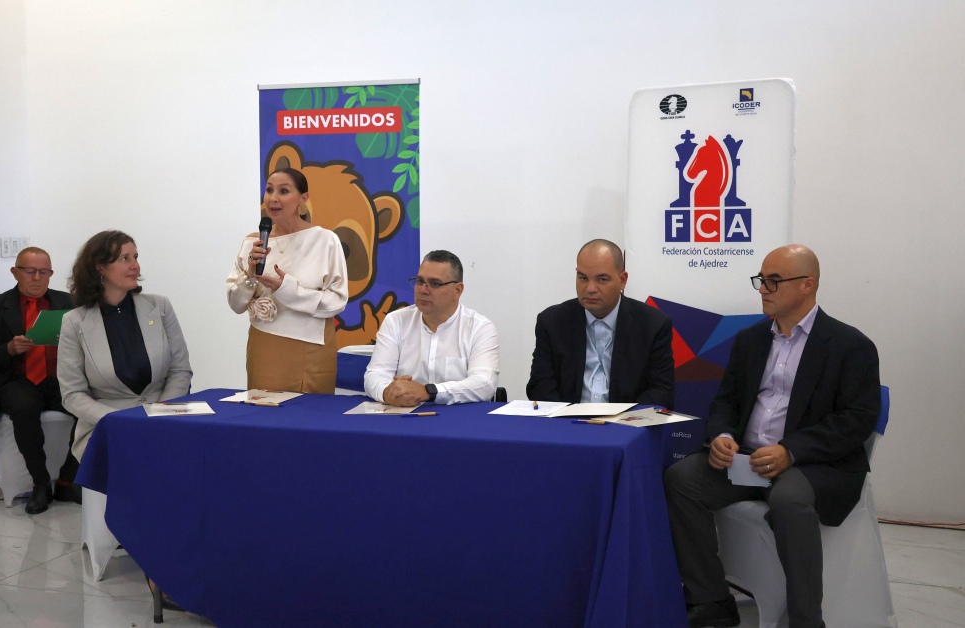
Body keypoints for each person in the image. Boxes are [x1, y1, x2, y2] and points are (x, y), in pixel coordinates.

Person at [663, 244, 881, 628]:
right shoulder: (751, 340)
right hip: (747, 458)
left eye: (773, 281)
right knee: (681, 479)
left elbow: (856, 419)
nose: (763, 289)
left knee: (789, 500)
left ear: (807, 284)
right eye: (761, 280)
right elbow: (726, 401)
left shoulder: (851, 346)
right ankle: (711, 601)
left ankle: (805, 620)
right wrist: (721, 435)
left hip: (811, 465)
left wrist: (791, 451)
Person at [57, 230, 193, 461]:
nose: (135, 266)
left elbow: (180, 371)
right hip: (107, 423)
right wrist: (120, 420)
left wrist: (161, 414)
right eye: (124, 258)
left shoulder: (160, 307)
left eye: (135, 257)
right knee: (131, 458)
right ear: (100, 267)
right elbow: (72, 394)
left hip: (164, 417)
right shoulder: (74, 322)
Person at [0, 247, 81, 515]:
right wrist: (9, 349)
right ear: (15, 272)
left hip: (59, 380)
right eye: (30, 271)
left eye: (44, 272)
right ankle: (41, 483)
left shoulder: (68, 303)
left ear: (51, 274)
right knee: (23, 407)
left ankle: (67, 479)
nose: (37, 278)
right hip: (17, 380)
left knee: (92, 407)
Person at [226, 167, 348, 393]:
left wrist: (287, 289)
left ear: (303, 199)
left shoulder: (325, 240)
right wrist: (250, 274)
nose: (273, 198)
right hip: (265, 345)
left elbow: (337, 301)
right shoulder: (252, 243)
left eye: (283, 191)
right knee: (264, 409)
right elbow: (236, 305)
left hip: (311, 345)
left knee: (309, 412)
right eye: (269, 190)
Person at [526, 238, 674, 408]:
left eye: (602, 279)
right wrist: (566, 419)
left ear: (622, 280)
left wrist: (624, 420)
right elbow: (540, 385)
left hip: (626, 422)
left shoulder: (653, 325)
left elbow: (661, 391)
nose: (590, 288)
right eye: (583, 278)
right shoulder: (552, 322)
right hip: (566, 420)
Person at [363, 250, 498, 406]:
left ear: (457, 290)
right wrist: (388, 393)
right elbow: (375, 375)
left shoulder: (480, 328)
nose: (423, 290)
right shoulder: (396, 321)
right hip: (405, 413)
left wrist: (428, 391)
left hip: (459, 416)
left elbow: (484, 383)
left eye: (435, 284)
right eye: (420, 281)